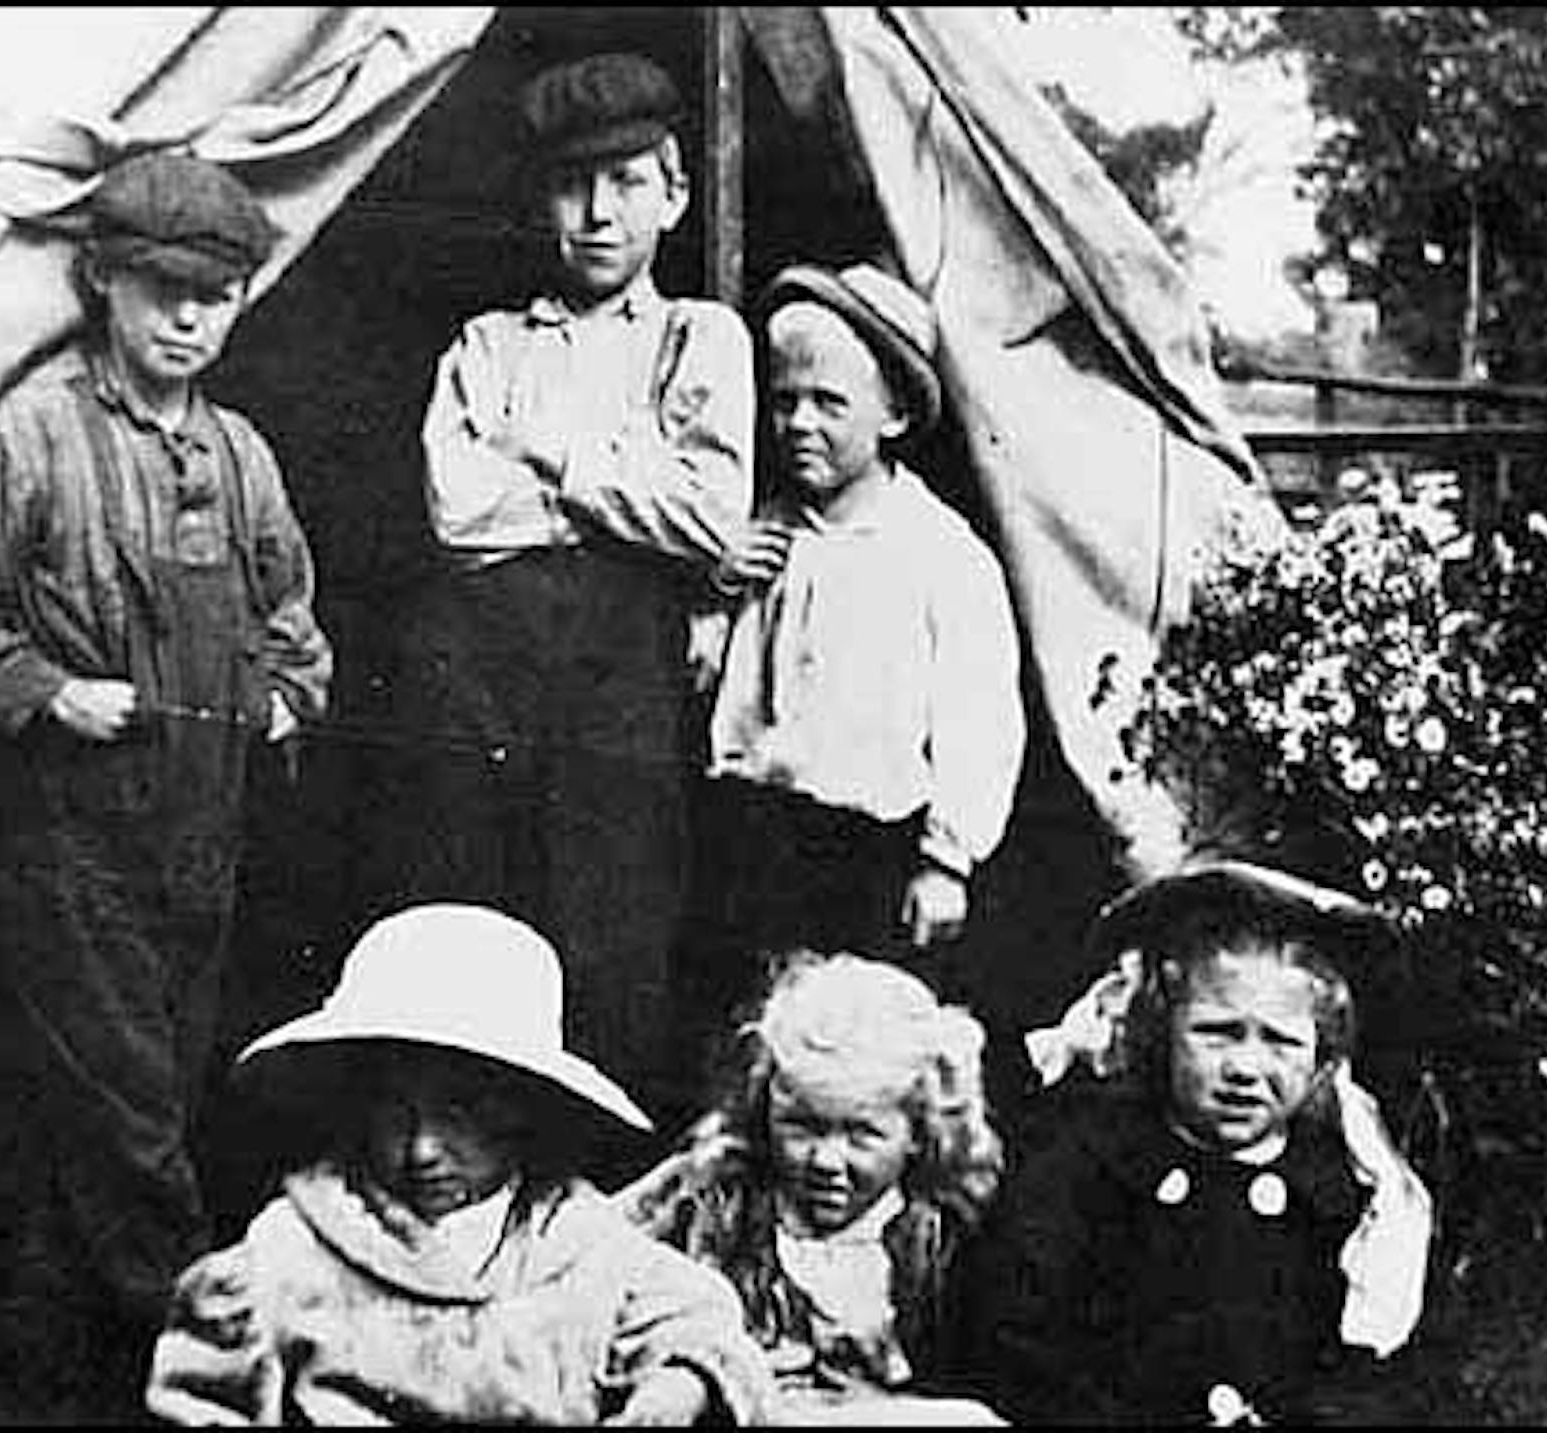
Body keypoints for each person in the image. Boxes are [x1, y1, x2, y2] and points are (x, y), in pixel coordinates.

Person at [0, 150, 333, 1382]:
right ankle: (209, 1347)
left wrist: (290, 697)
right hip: (73, 834)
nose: (188, 319)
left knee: (145, 1099)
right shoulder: (38, 435)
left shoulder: (242, 453)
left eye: (218, 294)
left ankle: (50, 1349)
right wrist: (43, 690)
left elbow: (291, 613)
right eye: (160, 290)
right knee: (130, 1109)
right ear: (103, 285)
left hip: (205, 828)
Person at [382, 51, 755, 1130]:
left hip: (618, 690)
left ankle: (596, 1207)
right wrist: (621, 486)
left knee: (611, 945)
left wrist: (547, 452)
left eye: (628, 182)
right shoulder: (486, 345)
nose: (597, 213)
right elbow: (458, 513)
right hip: (478, 680)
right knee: (469, 927)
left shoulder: (701, 339)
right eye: (571, 183)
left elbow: (707, 517)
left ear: (676, 194)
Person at [144, 903, 774, 1425]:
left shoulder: (587, 1249)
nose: (421, 1151)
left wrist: (680, 1386)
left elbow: (703, 1330)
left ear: (522, 1111)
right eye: (396, 1113)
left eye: (458, 1114)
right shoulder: (285, 1261)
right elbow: (200, 1406)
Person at [976, 860, 1434, 1425]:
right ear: (1163, 1031)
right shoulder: (1093, 1167)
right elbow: (1021, 1336)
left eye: (1280, 1042)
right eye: (1217, 1033)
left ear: (1321, 1061)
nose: (1244, 1066)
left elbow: (1357, 1375)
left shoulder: (1335, 1197)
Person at [685, 262, 1024, 1026]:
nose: (800, 424)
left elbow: (980, 723)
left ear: (894, 414)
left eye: (829, 404)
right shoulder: (763, 535)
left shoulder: (940, 553)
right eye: (784, 403)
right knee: (744, 1024)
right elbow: (702, 676)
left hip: (866, 850)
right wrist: (716, 588)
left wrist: (946, 859)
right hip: (749, 830)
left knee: (858, 1031)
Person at [616, 952, 1008, 1425]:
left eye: (863, 1135)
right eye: (801, 1127)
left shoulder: (946, 1239)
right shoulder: (709, 1196)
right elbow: (600, 1255)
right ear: (765, 1109)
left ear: (920, 1133)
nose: (826, 1161)